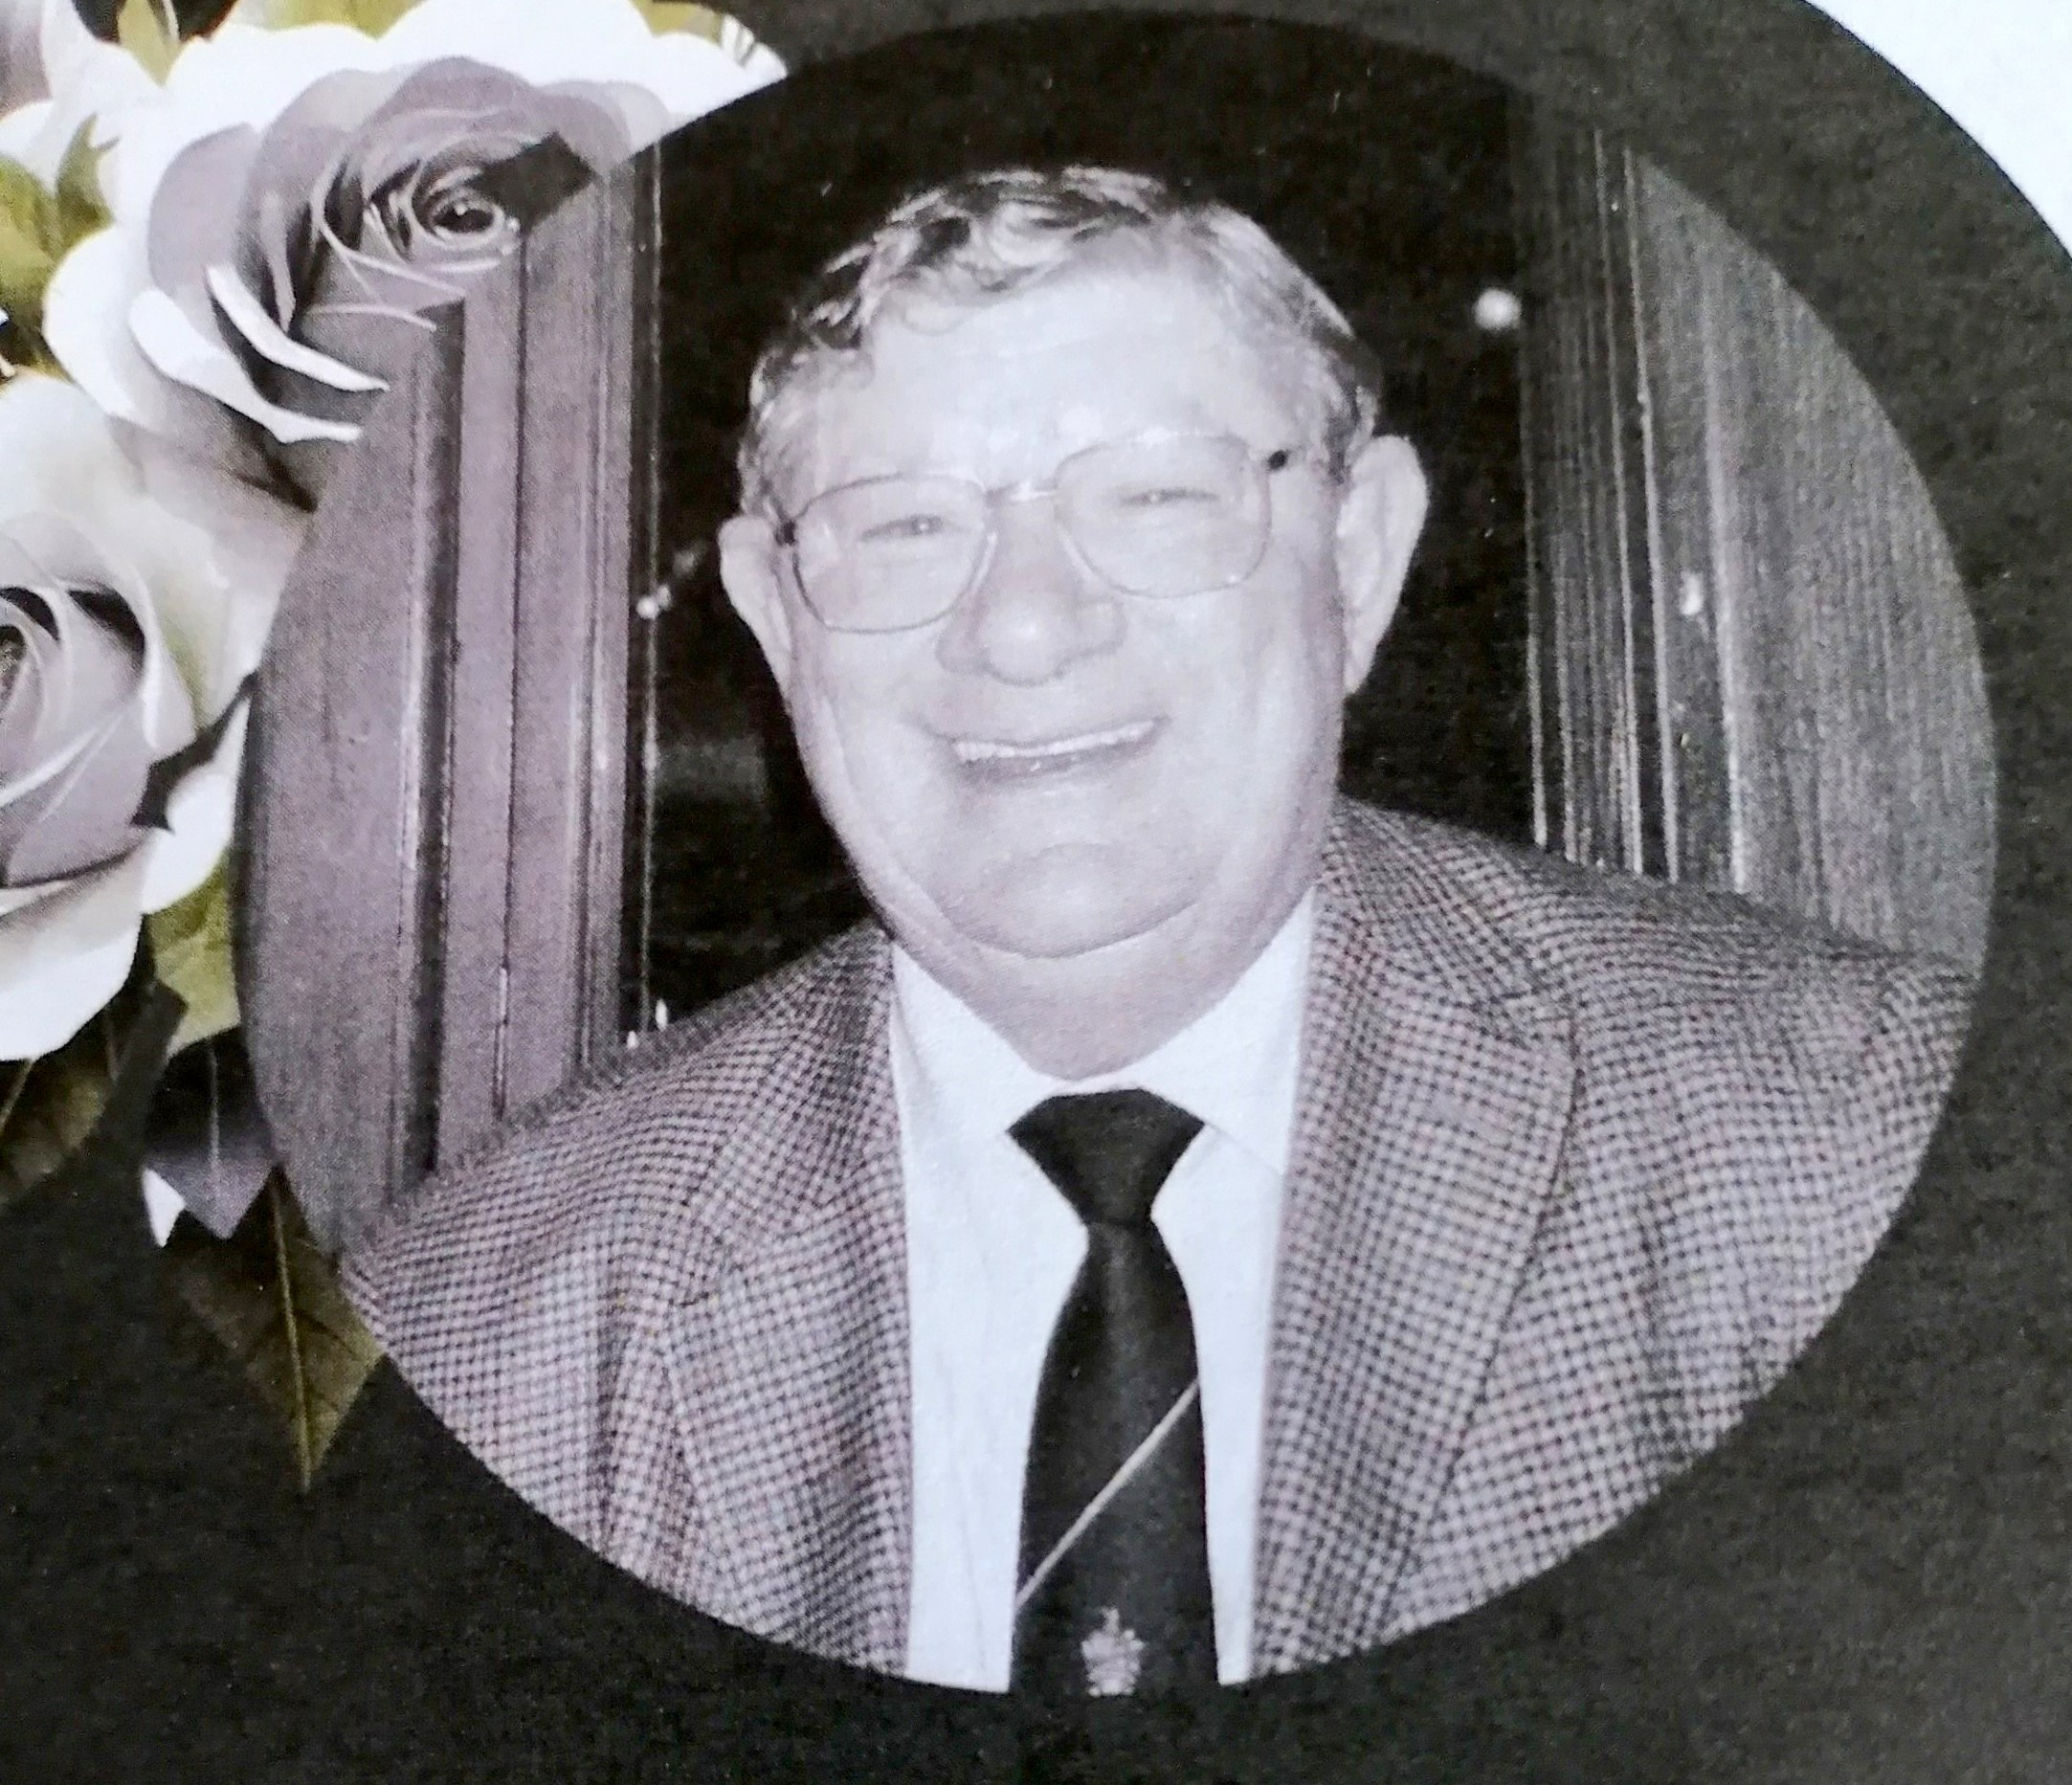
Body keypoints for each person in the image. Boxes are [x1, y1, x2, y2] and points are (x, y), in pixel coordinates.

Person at [342, 165, 1971, 1697]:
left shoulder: (1840, 1144)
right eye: (904, 525)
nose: (1024, 624)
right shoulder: (480, 1323)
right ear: (776, 618)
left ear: (1357, 558)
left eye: (1153, 496)